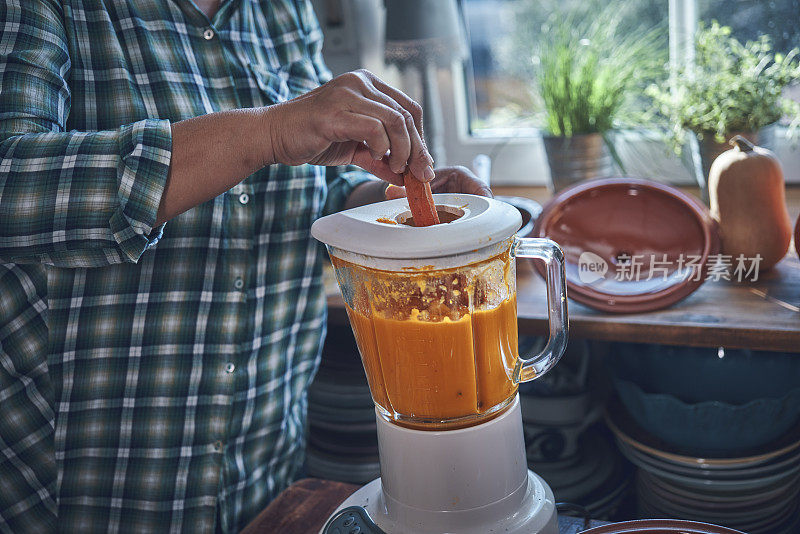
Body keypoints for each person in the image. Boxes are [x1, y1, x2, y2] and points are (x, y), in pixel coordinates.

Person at [0, 0, 491, 532]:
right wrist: (267, 132)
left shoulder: (282, 11)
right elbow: (10, 185)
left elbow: (314, 184)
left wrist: (390, 203)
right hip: (88, 489)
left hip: (267, 475)